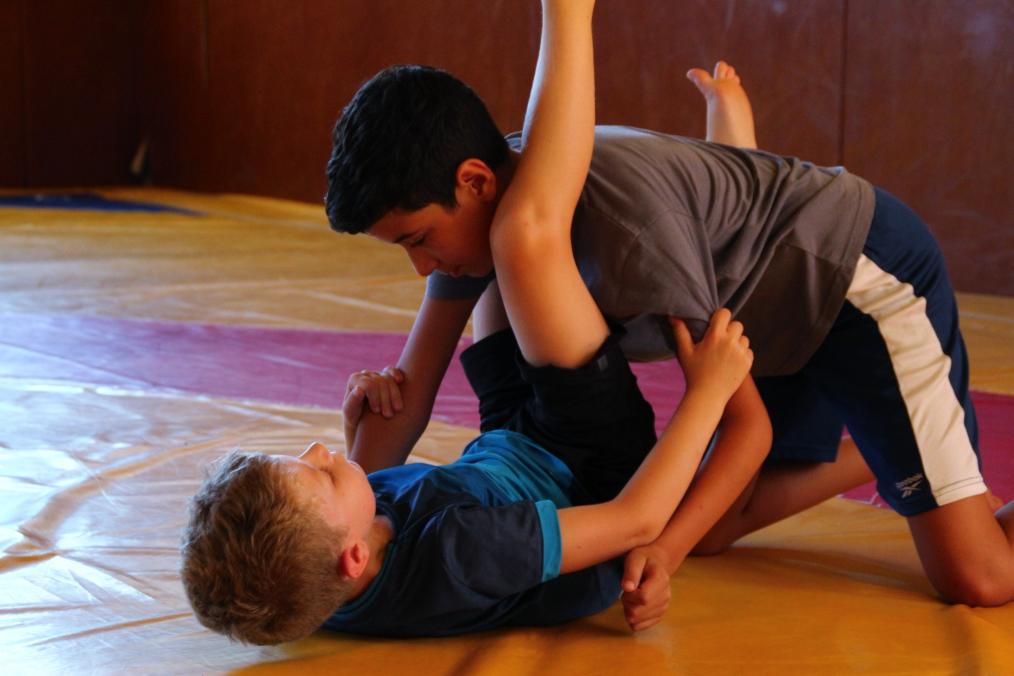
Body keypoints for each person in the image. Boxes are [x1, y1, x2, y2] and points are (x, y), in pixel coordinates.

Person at [326, 22, 1013, 619]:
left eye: (418, 240)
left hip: (856, 284)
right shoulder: (478, 226)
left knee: (979, 577)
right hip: (762, 317)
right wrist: (346, 497)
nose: (422, 267)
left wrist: (662, 552)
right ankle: (884, 442)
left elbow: (748, 428)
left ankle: (899, 437)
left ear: (476, 182)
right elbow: (411, 396)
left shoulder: (625, 236)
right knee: (707, 526)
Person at [180, 0, 761, 644]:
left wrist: (358, 442)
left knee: (476, 253)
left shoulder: (319, 586)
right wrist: (706, 395)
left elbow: (351, 508)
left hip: (508, 450)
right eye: (318, 470)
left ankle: (730, 156)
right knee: (519, 237)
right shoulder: (462, 552)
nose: (316, 452)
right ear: (354, 556)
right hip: (590, 473)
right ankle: (570, 17)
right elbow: (636, 519)